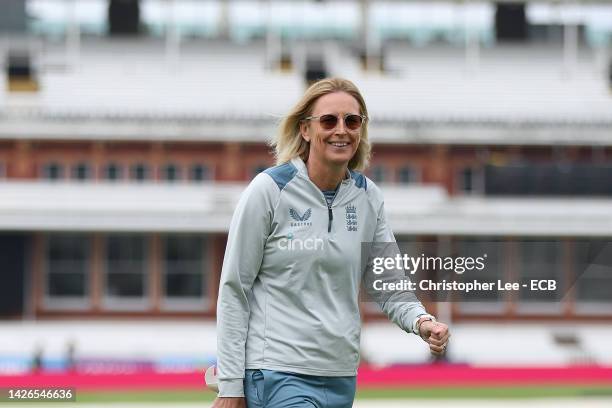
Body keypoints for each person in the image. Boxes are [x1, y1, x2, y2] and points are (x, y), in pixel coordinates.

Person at [213, 78, 450, 408]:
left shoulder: (368, 197)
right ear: (306, 130)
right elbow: (234, 289)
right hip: (276, 371)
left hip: (340, 376)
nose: (342, 130)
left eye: (352, 121)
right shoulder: (268, 191)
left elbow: (388, 283)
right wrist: (229, 384)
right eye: (329, 120)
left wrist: (421, 320)